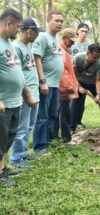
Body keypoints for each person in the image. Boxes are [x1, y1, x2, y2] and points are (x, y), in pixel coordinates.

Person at [10, 17, 43, 169]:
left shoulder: (26, 46)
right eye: (37, 32)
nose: (38, 36)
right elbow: (17, 74)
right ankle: (16, 158)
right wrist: (27, 94)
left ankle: (22, 152)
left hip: (34, 93)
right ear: (29, 32)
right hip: (25, 95)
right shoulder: (15, 47)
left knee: (29, 126)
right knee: (21, 128)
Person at [0, 9, 26, 188]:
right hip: (3, 102)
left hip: (14, 100)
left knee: (8, 138)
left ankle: (3, 167)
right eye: (17, 27)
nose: (18, 31)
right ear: (8, 24)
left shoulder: (8, 43)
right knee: (0, 140)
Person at [32, 10, 64, 154]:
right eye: (56, 20)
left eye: (61, 21)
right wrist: (42, 81)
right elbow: (37, 59)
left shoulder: (55, 39)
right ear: (48, 21)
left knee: (52, 115)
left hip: (55, 84)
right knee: (42, 116)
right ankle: (39, 147)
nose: (59, 23)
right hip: (46, 84)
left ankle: (48, 141)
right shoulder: (42, 37)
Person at [72, 44, 100, 130]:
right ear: (88, 53)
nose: (96, 60)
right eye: (94, 57)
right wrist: (79, 87)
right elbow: (73, 75)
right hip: (79, 82)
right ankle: (72, 127)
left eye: (98, 57)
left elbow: (98, 80)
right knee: (75, 104)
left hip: (93, 83)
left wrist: (98, 94)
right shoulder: (78, 58)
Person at [56, 29, 79, 144]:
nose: (73, 43)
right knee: (64, 112)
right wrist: (66, 85)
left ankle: (57, 136)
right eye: (71, 40)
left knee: (61, 111)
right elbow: (62, 71)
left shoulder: (65, 50)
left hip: (64, 86)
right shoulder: (61, 51)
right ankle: (66, 138)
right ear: (65, 38)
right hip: (63, 87)